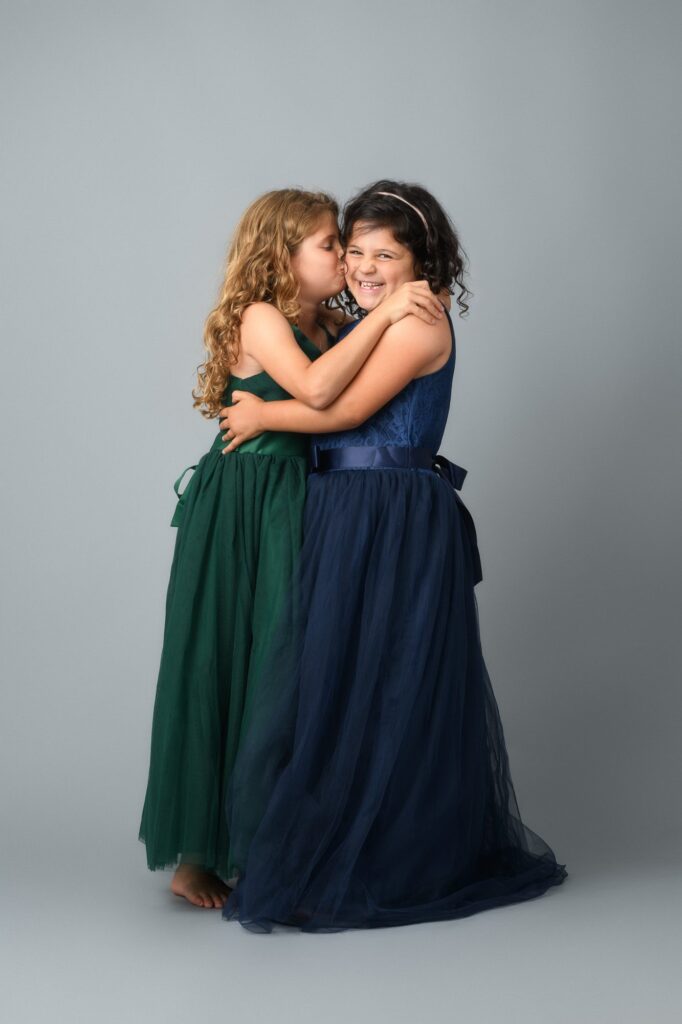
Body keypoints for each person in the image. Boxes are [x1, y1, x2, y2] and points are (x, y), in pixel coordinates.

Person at [219, 180, 568, 931]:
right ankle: (329, 839)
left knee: (387, 679)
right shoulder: (375, 317)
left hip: (392, 510)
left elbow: (337, 410)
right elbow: (331, 361)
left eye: (388, 254)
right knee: (334, 676)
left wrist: (259, 414)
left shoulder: (417, 322)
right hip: (346, 507)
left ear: (422, 262)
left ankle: (390, 858)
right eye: (354, 251)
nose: (367, 267)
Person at [138, 187, 445, 910]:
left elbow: (351, 389)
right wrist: (387, 314)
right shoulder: (264, 315)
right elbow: (313, 389)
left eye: (345, 244)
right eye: (330, 245)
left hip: (289, 494)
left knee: (276, 659)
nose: (344, 257)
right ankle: (193, 854)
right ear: (283, 255)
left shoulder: (324, 318)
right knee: (225, 652)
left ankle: (258, 834)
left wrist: (379, 313)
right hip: (245, 499)